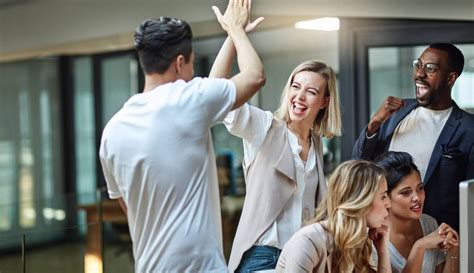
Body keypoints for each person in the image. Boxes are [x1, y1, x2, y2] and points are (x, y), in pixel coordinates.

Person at [98, 0, 265, 271]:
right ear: (179, 63)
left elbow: (129, 208)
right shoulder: (189, 101)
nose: (191, 73)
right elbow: (255, 76)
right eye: (190, 63)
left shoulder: (112, 131)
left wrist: (233, 37)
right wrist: (236, 31)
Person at [209, 32, 342, 271]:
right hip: (264, 258)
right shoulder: (265, 127)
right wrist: (233, 32)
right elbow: (215, 96)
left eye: (311, 92)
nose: (299, 97)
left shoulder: (316, 144)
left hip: (304, 258)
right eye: (296, 86)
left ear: (324, 101)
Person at [352, 43, 474, 231]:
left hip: (435, 237)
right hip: (381, 231)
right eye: (418, 65)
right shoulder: (396, 112)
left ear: (451, 78)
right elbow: (360, 163)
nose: (419, 74)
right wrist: (374, 123)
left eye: (430, 69)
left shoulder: (469, 128)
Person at [275, 160, 392, 273]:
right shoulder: (308, 241)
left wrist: (383, 252)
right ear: (361, 201)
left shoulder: (360, 244)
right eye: (383, 196)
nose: (389, 204)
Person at [375, 151, 459, 273]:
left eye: (420, 188)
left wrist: (453, 251)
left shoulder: (429, 223)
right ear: (385, 197)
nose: (417, 198)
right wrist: (419, 247)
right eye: (405, 192)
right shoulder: (373, 237)